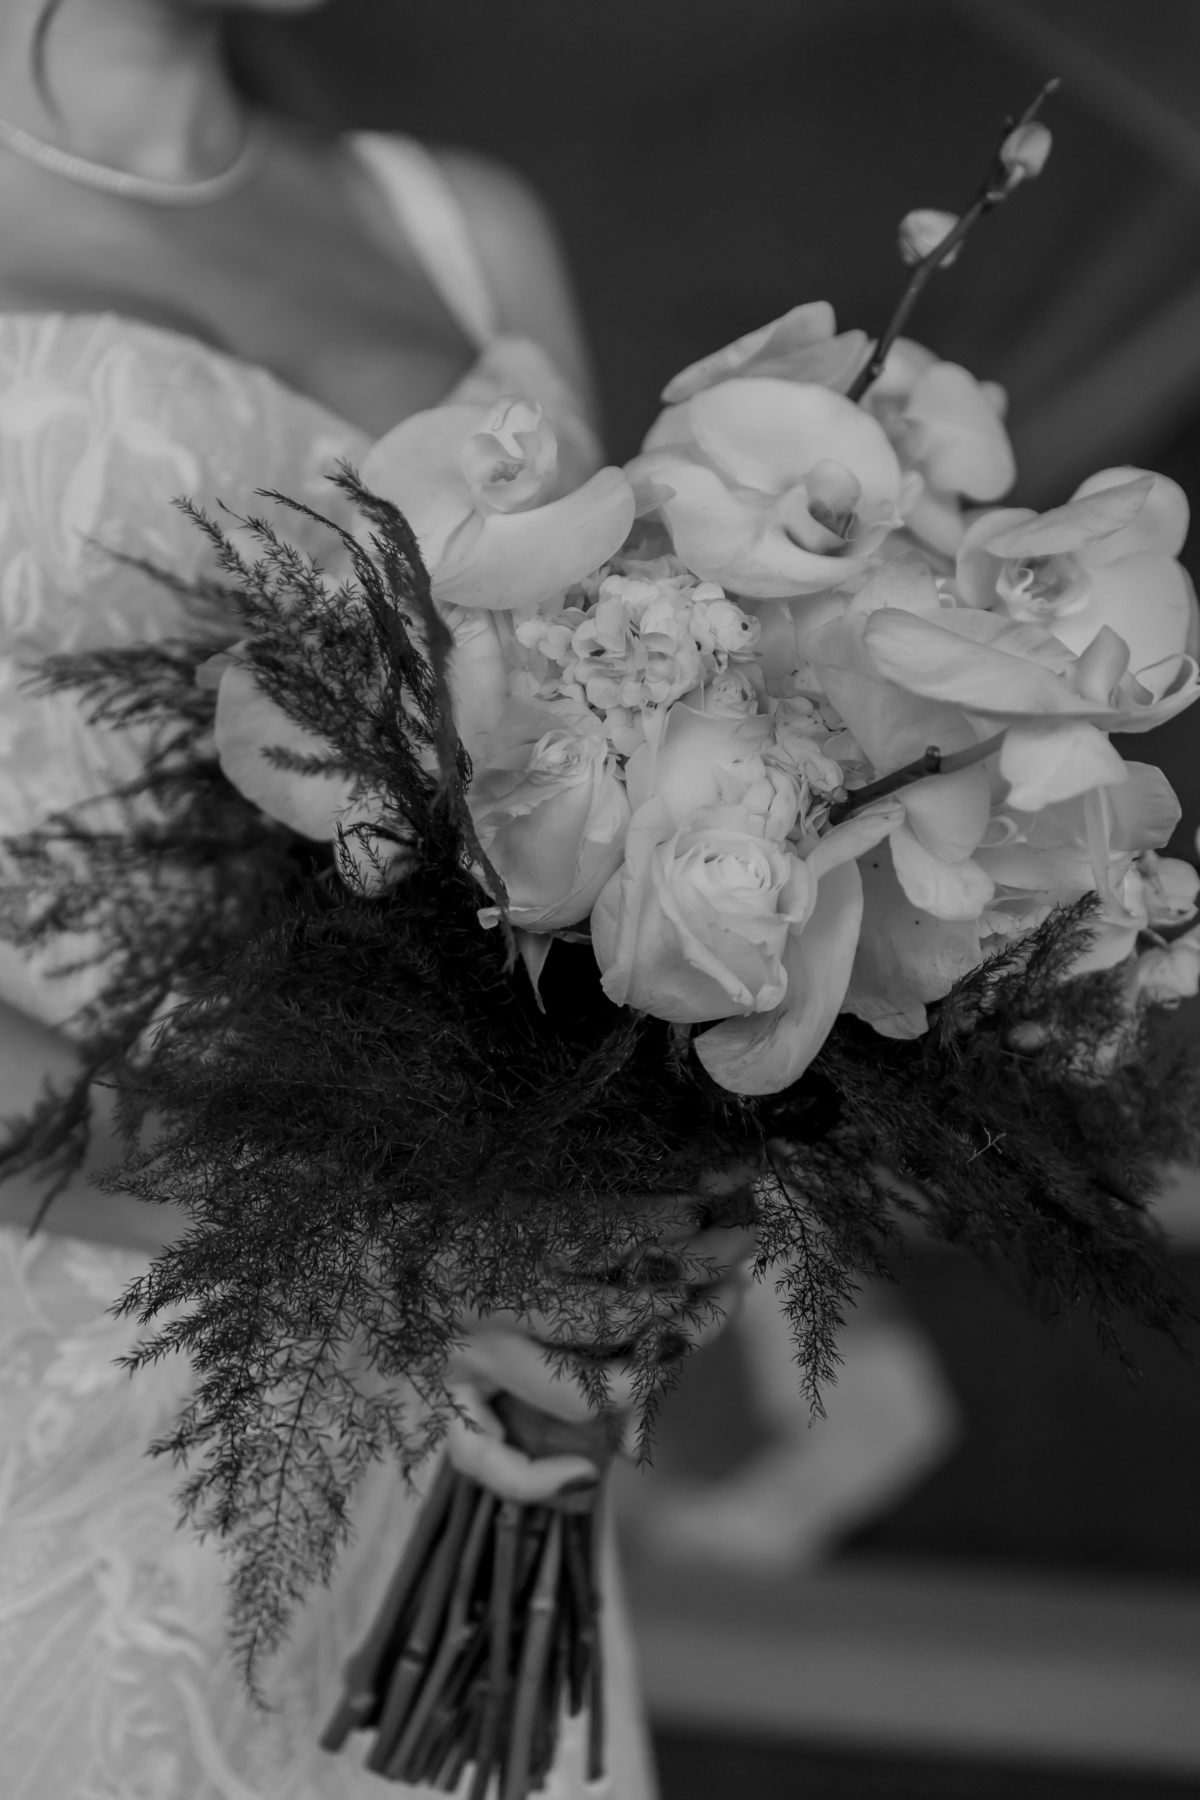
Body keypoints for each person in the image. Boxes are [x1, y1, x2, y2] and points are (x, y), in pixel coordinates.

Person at [0, 2, 697, 1792]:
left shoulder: (458, 221)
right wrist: (369, 1229)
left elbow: (631, 760)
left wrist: (647, 1170)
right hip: (62, 1347)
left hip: (445, 1403)